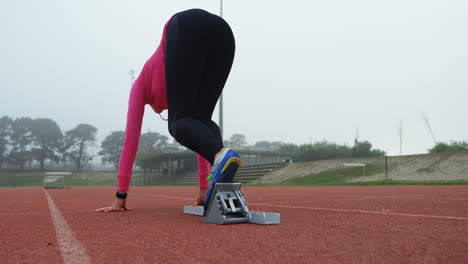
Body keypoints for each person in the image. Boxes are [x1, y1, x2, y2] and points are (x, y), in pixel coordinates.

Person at [94, 9, 241, 213]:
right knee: (201, 121)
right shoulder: (174, 86)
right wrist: (202, 190)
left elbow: (131, 140)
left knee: (178, 124)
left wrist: (121, 194)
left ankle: (221, 157)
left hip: (184, 26)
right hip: (222, 33)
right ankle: (222, 162)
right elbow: (199, 135)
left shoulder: (140, 85)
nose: (162, 109)